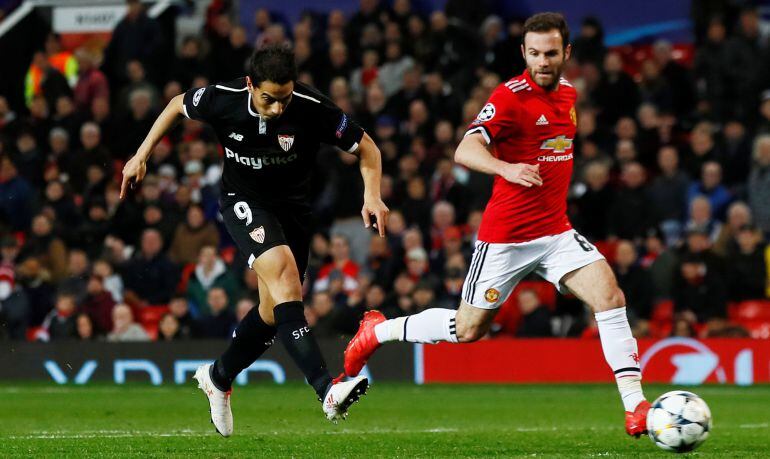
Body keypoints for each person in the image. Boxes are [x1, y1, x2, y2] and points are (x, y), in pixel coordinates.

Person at [343, 12, 651, 438]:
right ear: (523, 53)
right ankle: (380, 330)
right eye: (534, 53)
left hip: (556, 231)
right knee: (468, 329)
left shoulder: (569, 95)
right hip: (506, 238)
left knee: (610, 296)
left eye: (550, 53)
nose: (542, 61)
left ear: (566, 53)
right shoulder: (509, 97)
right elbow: (465, 149)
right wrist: (506, 168)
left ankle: (635, 406)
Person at [120, 45, 388, 433]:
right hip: (243, 201)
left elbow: (367, 148)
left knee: (271, 312)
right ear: (250, 85)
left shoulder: (311, 106)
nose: (278, 108)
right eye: (268, 99)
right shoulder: (223, 99)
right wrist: (141, 155)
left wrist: (373, 194)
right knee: (284, 280)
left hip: (293, 213)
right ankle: (327, 389)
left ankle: (218, 377)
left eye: (285, 98)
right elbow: (178, 104)